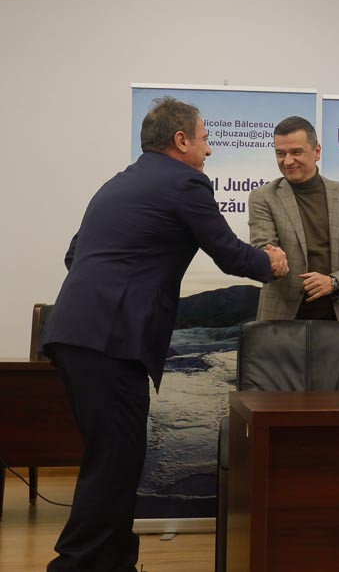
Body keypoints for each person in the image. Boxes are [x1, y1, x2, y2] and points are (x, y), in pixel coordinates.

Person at [41, 97, 288, 572]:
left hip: (78, 335)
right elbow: (229, 253)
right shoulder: (185, 182)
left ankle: (113, 562)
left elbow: (75, 256)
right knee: (113, 463)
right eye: (204, 139)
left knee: (114, 458)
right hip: (110, 342)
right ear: (181, 141)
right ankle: (75, 565)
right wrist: (271, 263)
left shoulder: (118, 183)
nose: (208, 150)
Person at [248, 116, 339, 322]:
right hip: (280, 320)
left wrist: (334, 282)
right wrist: (271, 261)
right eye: (280, 153)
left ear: (316, 151)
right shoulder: (263, 197)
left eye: (296, 152)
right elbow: (263, 248)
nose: (287, 161)